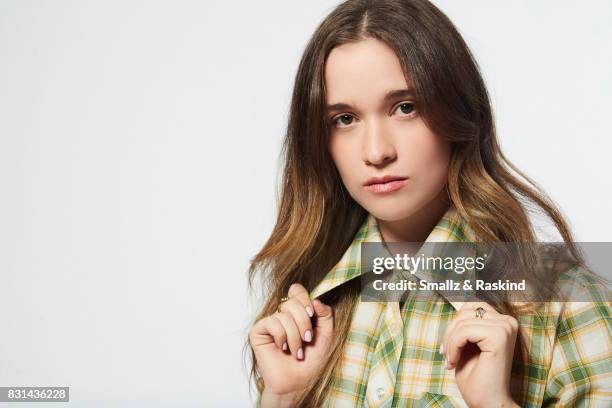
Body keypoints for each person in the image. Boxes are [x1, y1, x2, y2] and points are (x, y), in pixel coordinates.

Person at [244, 0, 612, 406]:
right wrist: (282, 397)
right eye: (344, 119)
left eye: (405, 107)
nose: (376, 151)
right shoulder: (307, 308)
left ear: (457, 112)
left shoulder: (566, 303)